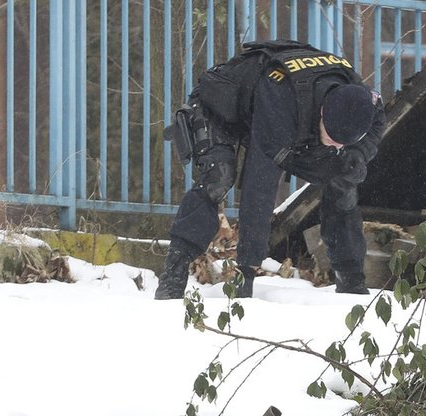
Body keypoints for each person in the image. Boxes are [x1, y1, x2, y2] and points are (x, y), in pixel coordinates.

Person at [155, 40, 384, 300]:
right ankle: (172, 278)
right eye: (332, 138)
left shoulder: (361, 97)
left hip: (291, 121)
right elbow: (259, 187)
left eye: (343, 142)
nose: (337, 145)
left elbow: (377, 121)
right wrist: (246, 273)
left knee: (344, 176)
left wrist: (357, 153)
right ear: (322, 112)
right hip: (223, 108)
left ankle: (352, 282)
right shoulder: (282, 99)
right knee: (219, 176)